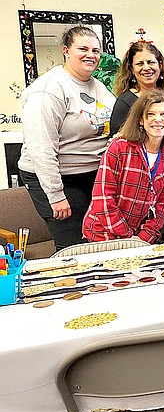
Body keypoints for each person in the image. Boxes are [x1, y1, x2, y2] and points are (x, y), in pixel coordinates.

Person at [18, 26, 117, 250]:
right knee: (75, 245)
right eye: (83, 48)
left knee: (99, 237)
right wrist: (55, 195)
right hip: (56, 176)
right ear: (66, 50)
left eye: (96, 50)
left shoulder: (97, 86)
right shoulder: (48, 89)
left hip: (89, 174)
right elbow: (41, 148)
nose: (91, 55)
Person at [83, 90, 164, 242]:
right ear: (141, 119)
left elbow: (163, 204)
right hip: (103, 232)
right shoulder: (119, 147)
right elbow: (103, 197)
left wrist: (144, 237)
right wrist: (127, 237)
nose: (158, 119)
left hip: (138, 238)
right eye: (150, 114)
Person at [109, 41, 164, 136]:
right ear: (132, 69)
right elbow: (116, 141)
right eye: (140, 64)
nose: (146, 67)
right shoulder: (125, 102)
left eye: (151, 62)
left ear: (160, 66)